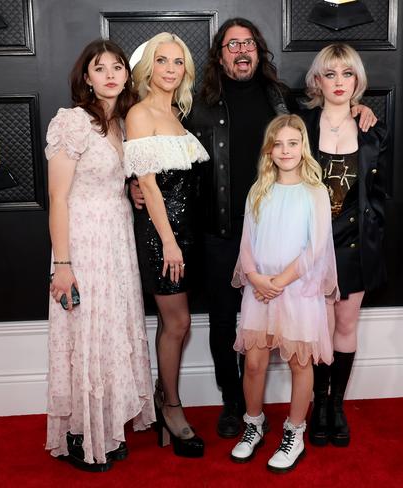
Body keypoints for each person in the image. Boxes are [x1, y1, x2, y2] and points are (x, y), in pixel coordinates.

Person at [130, 18, 375, 438]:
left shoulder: (280, 97)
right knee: (226, 321)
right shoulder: (196, 102)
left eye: (248, 43)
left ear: (258, 51)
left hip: (276, 230)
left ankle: (278, 408)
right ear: (220, 54)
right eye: (231, 45)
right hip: (220, 230)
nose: (241, 51)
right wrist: (133, 183)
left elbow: (315, 128)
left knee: (274, 322)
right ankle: (235, 404)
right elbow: (155, 146)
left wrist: (357, 107)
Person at [44, 39, 154, 472]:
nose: (110, 73)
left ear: (126, 74)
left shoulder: (125, 124)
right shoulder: (72, 123)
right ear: (85, 77)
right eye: (99, 67)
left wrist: (129, 188)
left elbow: (112, 176)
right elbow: (58, 198)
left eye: (117, 66)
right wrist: (63, 265)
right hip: (83, 240)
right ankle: (78, 433)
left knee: (111, 329)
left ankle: (106, 423)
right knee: (84, 331)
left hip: (117, 237)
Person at [229, 114, 338, 472]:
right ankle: (253, 424)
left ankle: (294, 432)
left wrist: (279, 282)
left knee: (299, 362)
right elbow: (247, 241)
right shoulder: (259, 189)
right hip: (260, 289)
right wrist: (255, 277)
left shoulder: (315, 191)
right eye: (279, 144)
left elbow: (315, 247)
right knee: (255, 362)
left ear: (302, 147)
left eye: (293, 143)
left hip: (297, 290)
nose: (286, 150)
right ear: (269, 150)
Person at [124, 32, 209, 458]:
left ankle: (165, 396)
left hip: (186, 232)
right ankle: (171, 407)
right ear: (148, 68)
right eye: (163, 61)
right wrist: (170, 244)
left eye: (178, 62)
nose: (171, 69)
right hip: (163, 236)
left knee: (172, 321)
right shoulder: (139, 113)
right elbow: (150, 187)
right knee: (179, 323)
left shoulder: (178, 113)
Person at [299, 43, 389, 447]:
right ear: (317, 80)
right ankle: (319, 403)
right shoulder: (300, 124)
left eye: (347, 74)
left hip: (356, 243)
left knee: (346, 326)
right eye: (330, 74)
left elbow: (381, 191)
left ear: (358, 80)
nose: (339, 82)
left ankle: (337, 405)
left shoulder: (373, 127)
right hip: (314, 244)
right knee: (321, 328)